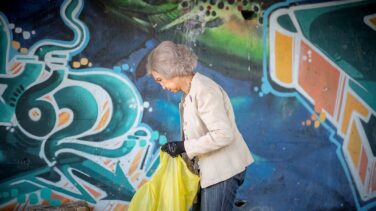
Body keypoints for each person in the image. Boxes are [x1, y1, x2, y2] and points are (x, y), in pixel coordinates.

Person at [146, 40, 254, 211]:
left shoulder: (204, 90)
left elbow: (223, 134)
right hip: (209, 171)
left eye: (160, 80)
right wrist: (181, 150)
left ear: (170, 69)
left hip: (222, 171)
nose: (162, 87)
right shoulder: (189, 94)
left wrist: (183, 146)